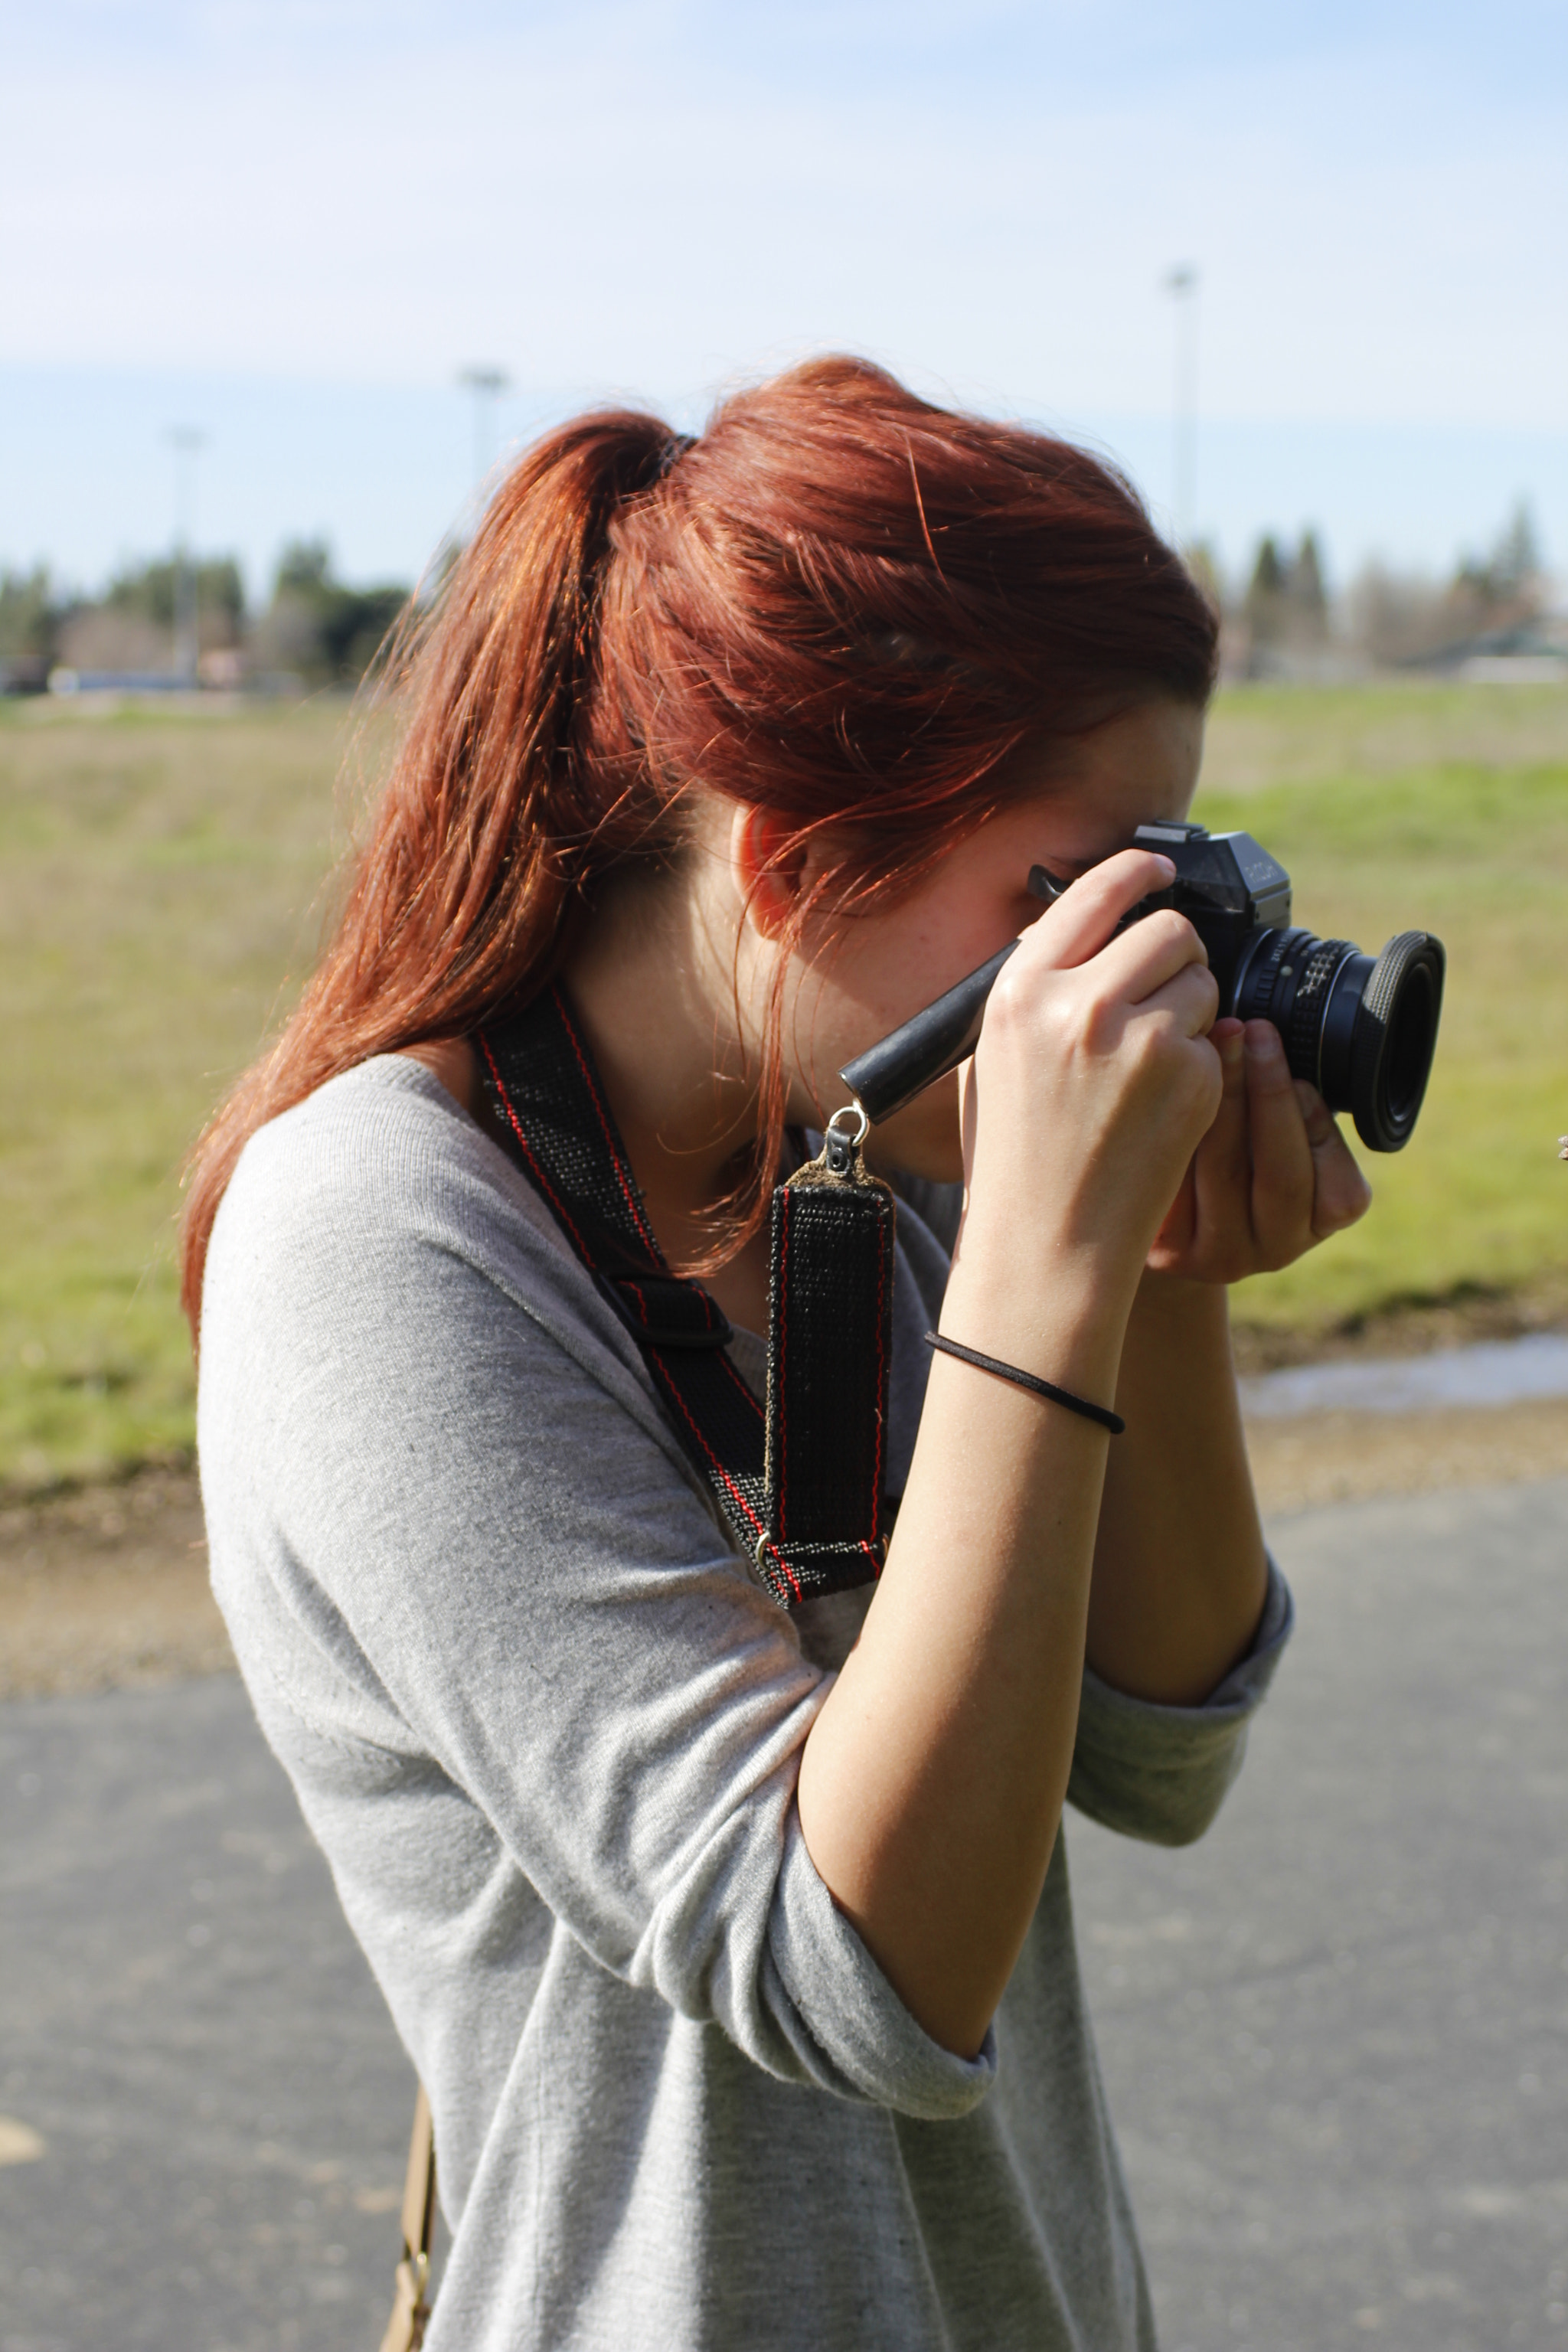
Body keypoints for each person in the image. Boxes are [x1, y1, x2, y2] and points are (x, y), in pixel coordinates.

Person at [186, 358, 1369, 2350]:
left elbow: (1157, 1750)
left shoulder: (850, 1145)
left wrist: (1152, 1263)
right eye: (1070, 896)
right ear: (787, 867)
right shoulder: (382, 1233)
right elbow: (854, 1974)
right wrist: (1043, 1270)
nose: (1126, 967)